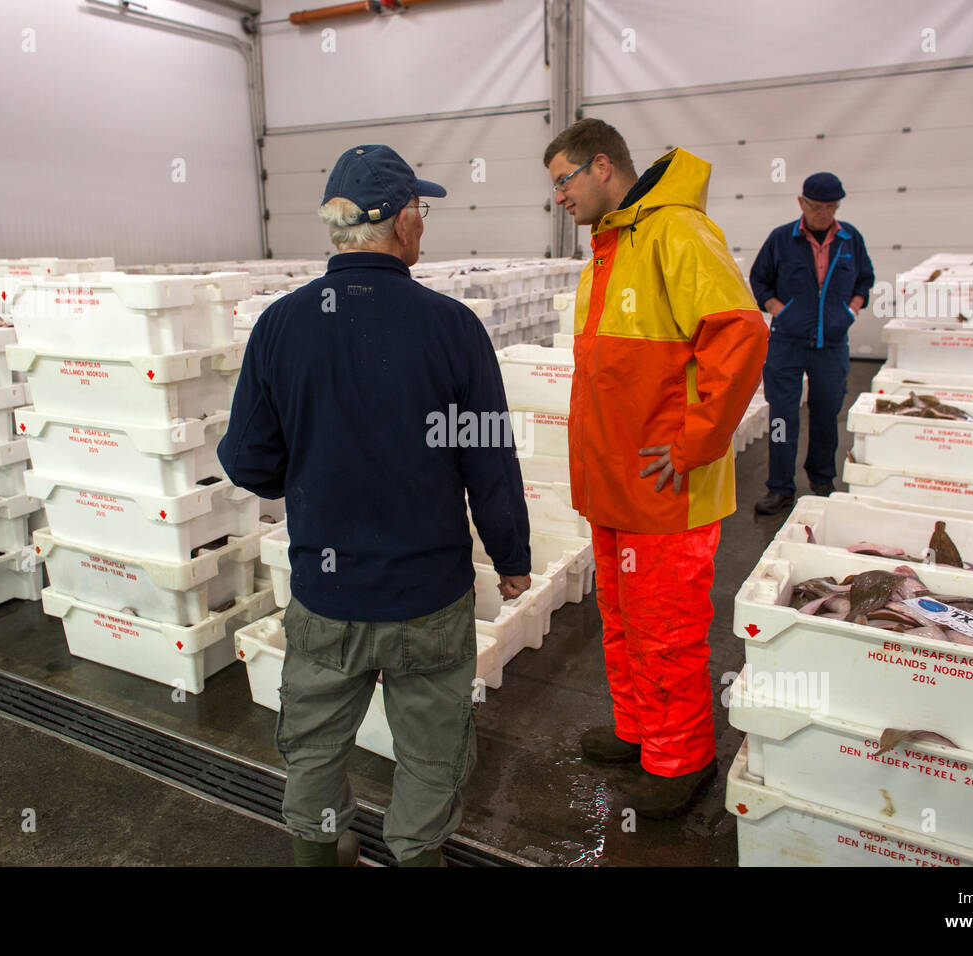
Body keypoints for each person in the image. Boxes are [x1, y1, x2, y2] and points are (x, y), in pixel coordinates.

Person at [218, 144, 532, 867]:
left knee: (316, 747)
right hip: (430, 599)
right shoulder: (452, 328)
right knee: (430, 754)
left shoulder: (282, 325)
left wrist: (317, 472)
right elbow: (489, 462)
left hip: (328, 596)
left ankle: (319, 853)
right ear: (396, 220)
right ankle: (417, 856)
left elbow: (248, 461)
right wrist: (511, 559)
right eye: (421, 208)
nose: (425, 222)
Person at [543, 119, 768, 819]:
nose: (558, 197)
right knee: (623, 617)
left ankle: (682, 759)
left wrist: (695, 443)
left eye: (563, 180)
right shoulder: (614, 248)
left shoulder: (675, 232)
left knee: (665, 627)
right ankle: (640, 728)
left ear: (602, 166)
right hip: (615, 487)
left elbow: (740, 333)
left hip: (666, 488)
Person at [749, 172, 875, 515]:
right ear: (801, 203)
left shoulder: (850, 240)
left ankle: (821, 479)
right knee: (782, 417)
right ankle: (779, 488)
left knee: (826, 413)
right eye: (817, 207)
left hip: (832, 345)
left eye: (831, 207)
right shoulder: (781, 240)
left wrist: (851, 311)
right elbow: (759, 279)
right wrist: (779, 309)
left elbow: (865, 279)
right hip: (787, 343)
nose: (824, 214)